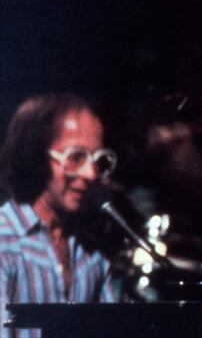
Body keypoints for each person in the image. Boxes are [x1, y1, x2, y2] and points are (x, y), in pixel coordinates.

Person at [0, 94, 116, 338]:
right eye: (75, 158)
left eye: (98, 160)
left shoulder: (92, 250)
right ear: (36, 158)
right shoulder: (4, 241)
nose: (91, 174)